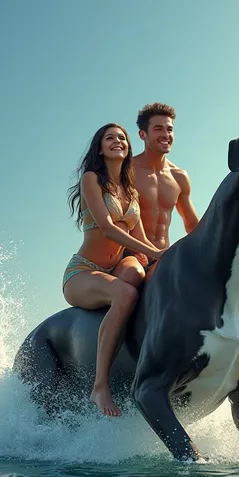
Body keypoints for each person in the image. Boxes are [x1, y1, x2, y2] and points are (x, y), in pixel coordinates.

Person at [63, 123, 166, 417]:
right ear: (100, 148)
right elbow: (107, 229)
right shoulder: (91, 179)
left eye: (122, 137)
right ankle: (100, 386)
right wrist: (153, 252)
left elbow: (144, 241)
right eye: (110, 138)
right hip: (83, 271)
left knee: (136, 273)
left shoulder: (132, 192)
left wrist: (167, 254)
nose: (117, 141)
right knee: (125, 293)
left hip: (117, 267)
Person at [130, 103, 199, 274]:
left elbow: (191, 224)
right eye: (158, 129)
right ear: (142, 134)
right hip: (130, 256)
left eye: (169, 129)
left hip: (163, 257)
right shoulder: (127, 171)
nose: (166, 135)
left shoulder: (179, 176)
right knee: (132, 276)